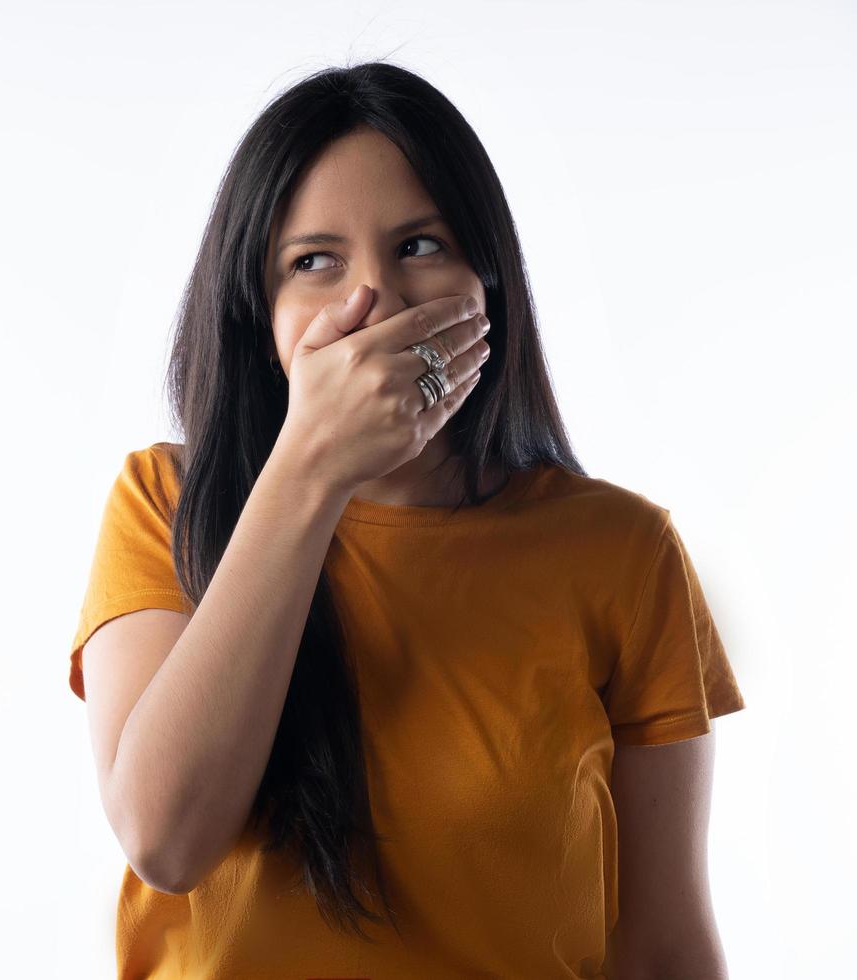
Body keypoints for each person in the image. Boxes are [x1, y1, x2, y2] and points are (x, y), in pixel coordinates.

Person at [67, 61, 746, 979]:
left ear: (489, 282)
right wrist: (311, 467)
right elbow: (165, 838)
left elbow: (665, 946)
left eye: (420, 246)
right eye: (314, 263)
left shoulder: (622, 551)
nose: (373, 299)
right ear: (257, 316)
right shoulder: (167, 505)